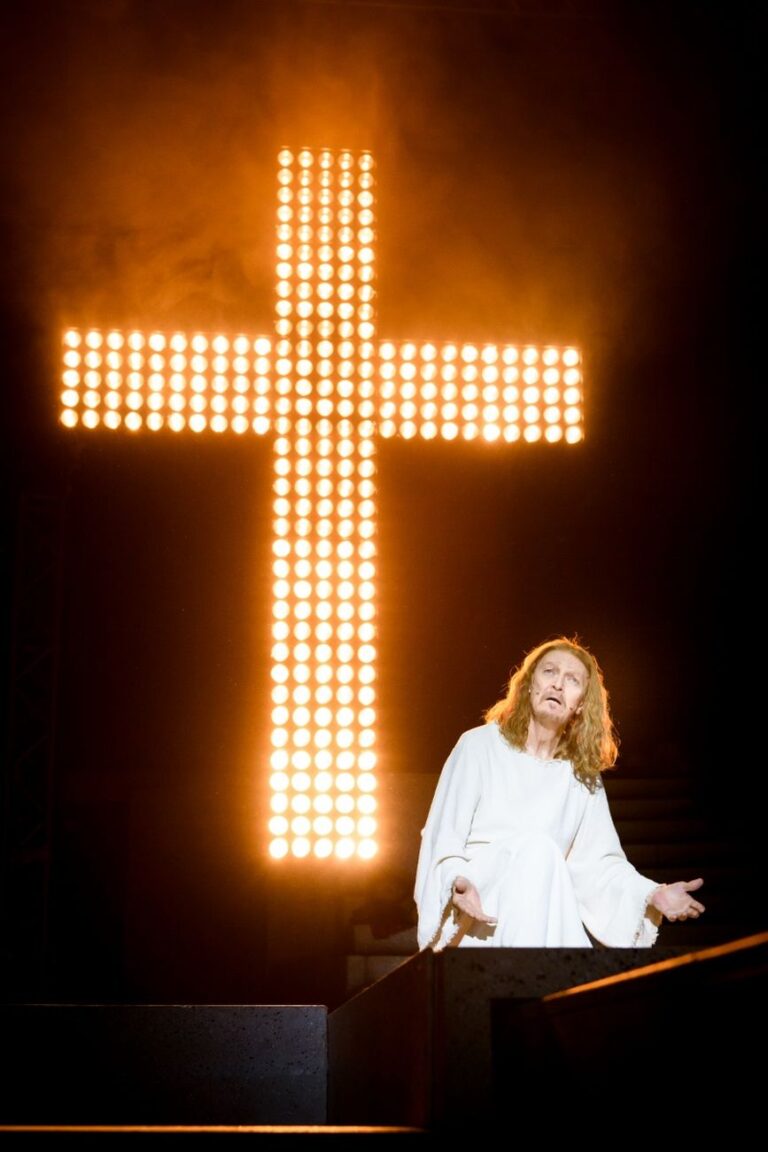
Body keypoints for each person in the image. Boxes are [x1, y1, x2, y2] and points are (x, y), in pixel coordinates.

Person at [414, 636, 705, 951]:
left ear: (581, 703)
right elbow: (443, 836)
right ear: (529, 686)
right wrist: (455, 881)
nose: (557, 685)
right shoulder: (478, 746)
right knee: (539, 849)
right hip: (479, 904)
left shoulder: (581, 776)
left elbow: (598, 865)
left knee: (542, 856)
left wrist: (651, 894)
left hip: (541, 913)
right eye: (549, 672)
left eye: (572, 680)